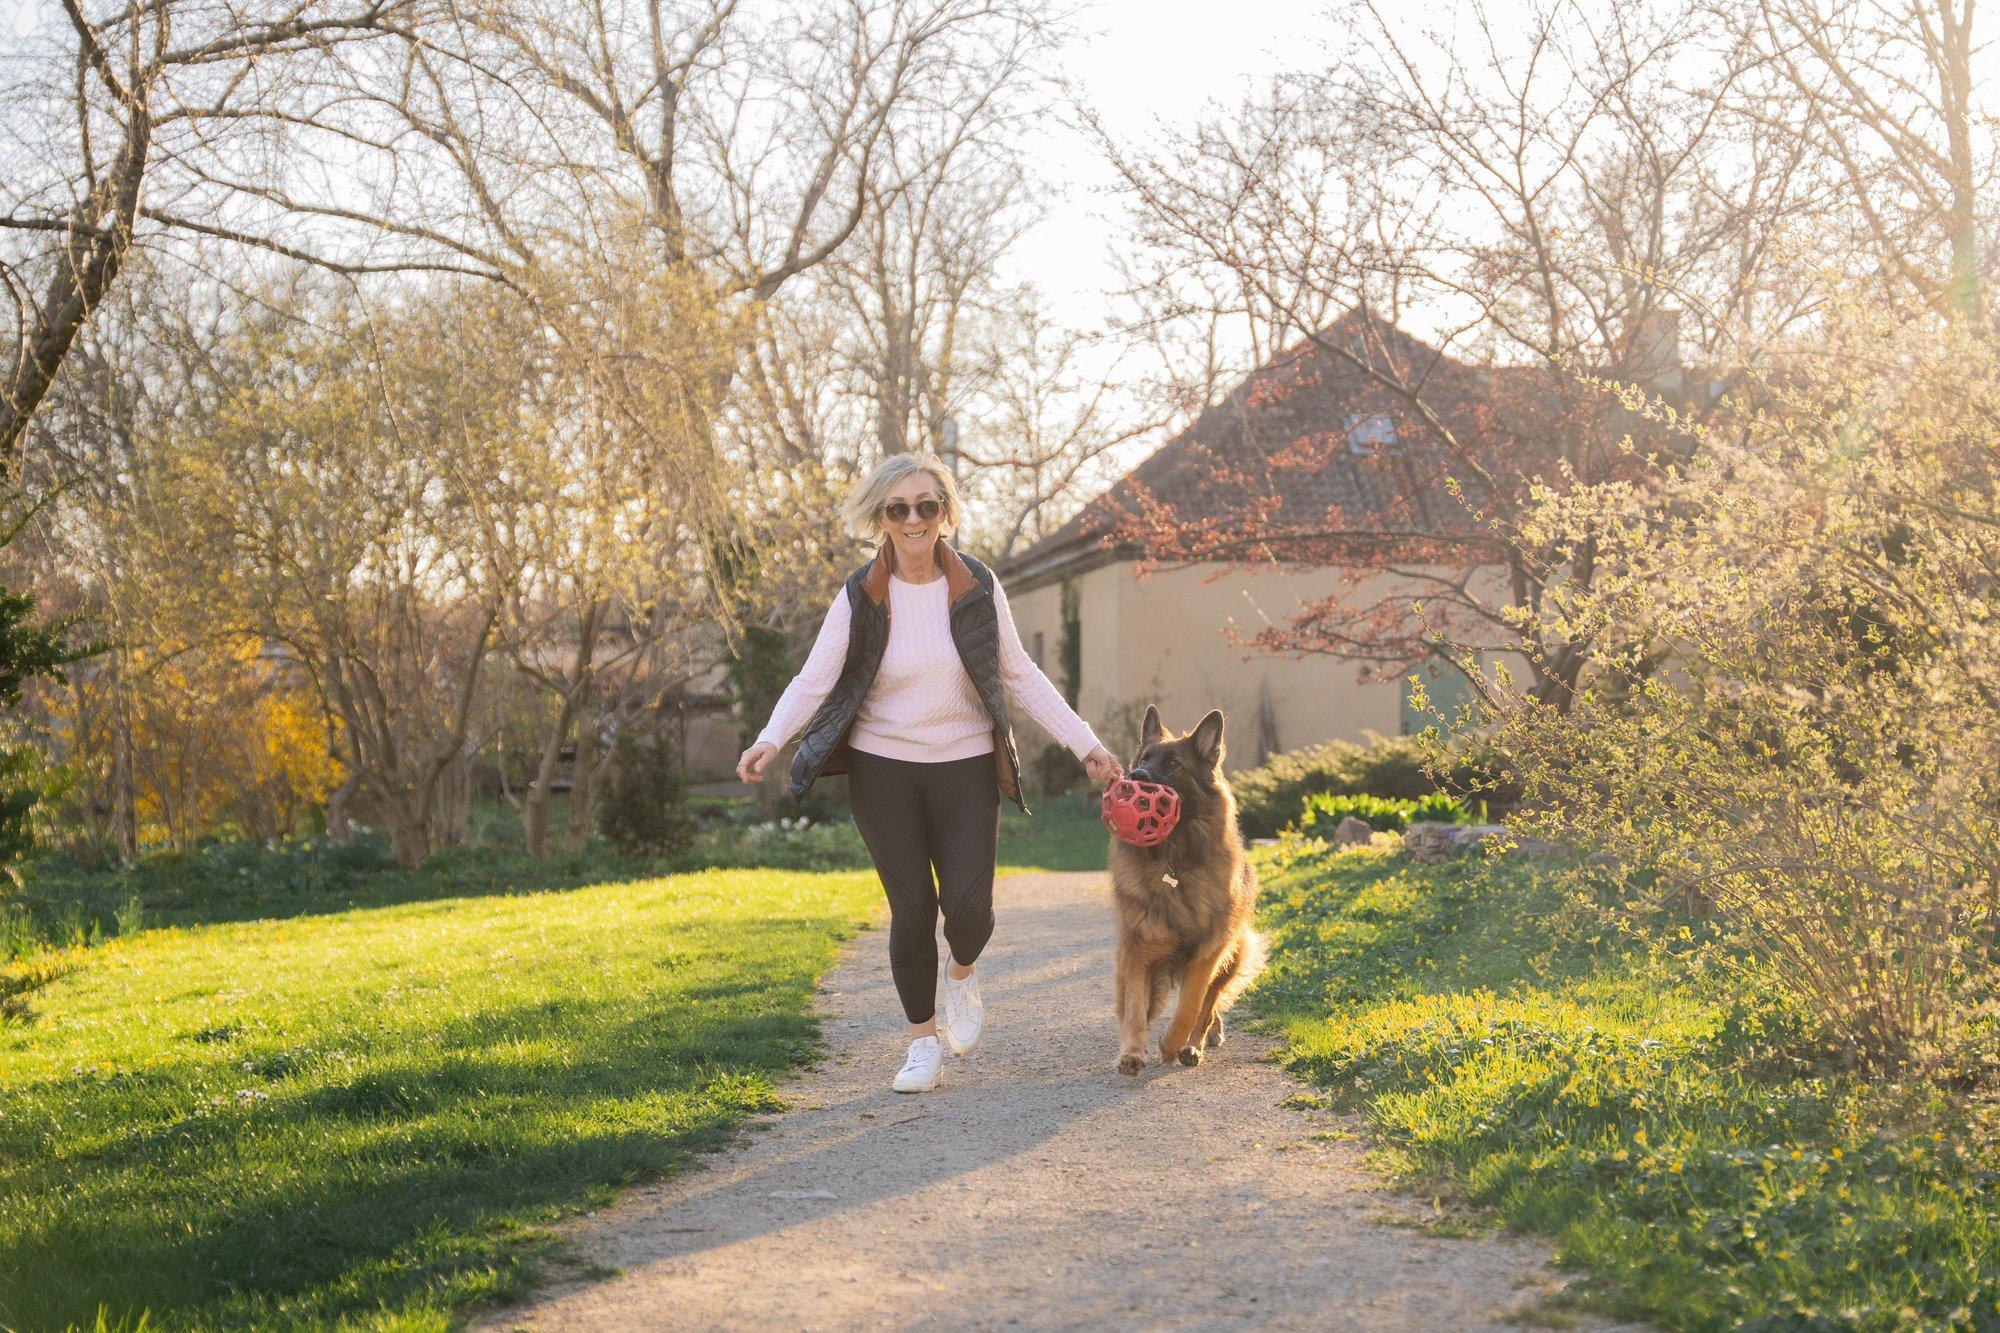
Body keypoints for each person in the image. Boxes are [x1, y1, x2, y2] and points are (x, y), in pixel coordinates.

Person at [737, 454, 1122, 1092]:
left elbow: (1019, 673)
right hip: (882, 767)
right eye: (899, 508)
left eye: (927, 506)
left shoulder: (976, 585)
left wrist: (1086, 745)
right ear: (881, 519)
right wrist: (771, 738)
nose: (913, 520)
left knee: (972, 911)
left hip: (965, 763)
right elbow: (815, 678)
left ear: (945, 513)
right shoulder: (861, 593)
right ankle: (921, 1044)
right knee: (911, 906)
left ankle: (962, 976)